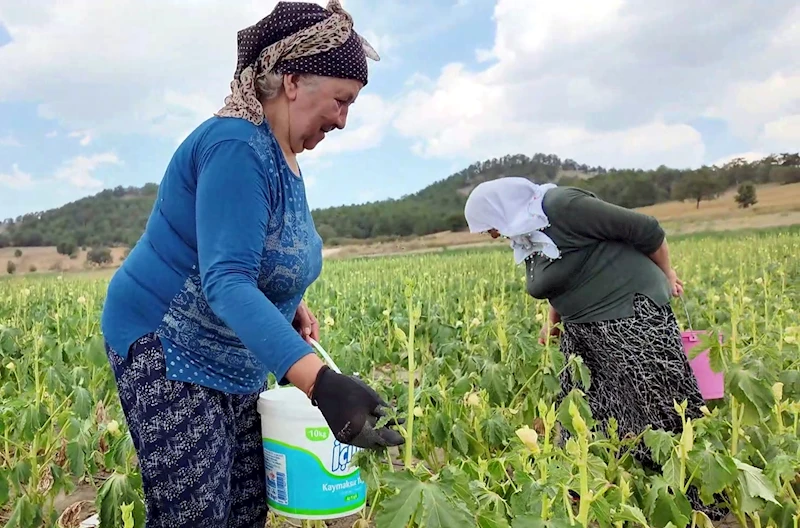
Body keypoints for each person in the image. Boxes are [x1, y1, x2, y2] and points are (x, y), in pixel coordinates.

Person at [99, 2, 403, 526]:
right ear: (292, 80)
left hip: (236, 355)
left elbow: (253, 250)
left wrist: (288, 303)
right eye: (340, 100)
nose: (343, 120)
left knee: (243, 510)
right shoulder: (237, 145)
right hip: (169, 344)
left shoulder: (283, 155)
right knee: (196, 514)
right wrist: (321, 383)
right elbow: (227, 279)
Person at [463, 177, 726, 519]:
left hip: (631, 316)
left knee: (656, 404)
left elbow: (647, 229)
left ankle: (692, 501)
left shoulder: (562, 206)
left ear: (503, 208)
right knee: (583, 405)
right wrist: (552, 323)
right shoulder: (528, 235)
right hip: (581, 327)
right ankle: (594, 488)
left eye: (490, 226)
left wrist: (668, 274)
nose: (493, 235)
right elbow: (560, 281)